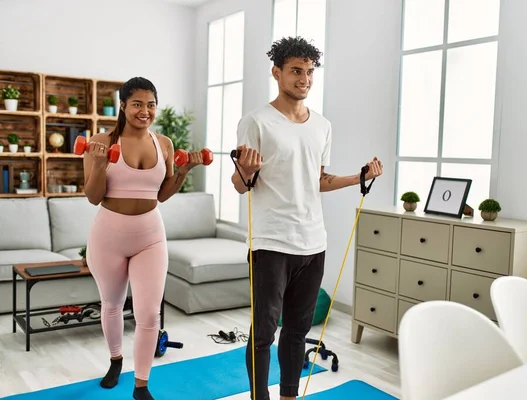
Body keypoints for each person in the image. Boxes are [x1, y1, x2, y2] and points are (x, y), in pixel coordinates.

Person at [232, 37, 383, 400]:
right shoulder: (255, 122)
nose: (304, 79)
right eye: (296, 71)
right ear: (277, 72)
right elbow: (241, 184)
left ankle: (288, 396)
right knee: (265, 332)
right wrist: (246, 171)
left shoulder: (322, 125)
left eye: (309, 72)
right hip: (270, 242)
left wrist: (357, 177)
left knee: (298, 330)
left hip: (313, 242)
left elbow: (317, 179)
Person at [83, 77, 207, 400]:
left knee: (149, 313)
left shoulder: (163, 144)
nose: (145, 111)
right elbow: (93, 196)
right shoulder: (100, 141)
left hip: (150, 235)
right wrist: (99, 163)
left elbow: (162, 194)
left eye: (151, 104)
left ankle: (141, 385)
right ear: (123, 105)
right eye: (137, 104)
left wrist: (182, 172)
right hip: (109, 234)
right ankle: (115, 360)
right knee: (111, 304)